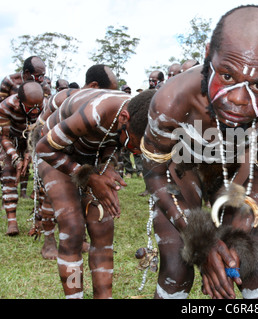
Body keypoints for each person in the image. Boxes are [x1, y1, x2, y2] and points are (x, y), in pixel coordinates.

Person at [140, 4, 258, 299]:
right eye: (226, 76)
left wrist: (233, 236)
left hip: (237, 182)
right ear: (209, 53)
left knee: (253, 267)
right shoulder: (172, 100)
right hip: (182, 179)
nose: (238, 99)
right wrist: (203, 242)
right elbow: (154, 173)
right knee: (177, 267)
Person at [35, 88, 155, 299]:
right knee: (72, 227)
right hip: (55, 155)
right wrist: (91, 178)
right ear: (124, 118)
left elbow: (112, 141)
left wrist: (107, 167)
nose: (136, 153)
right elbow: (43, 148)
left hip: (90, 157)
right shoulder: (94, 114)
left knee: (103, 227)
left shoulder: (137, 113)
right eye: (136, 146)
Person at [32, 64, 119, 260]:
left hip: (82, 155)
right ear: (96, 87)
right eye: (110, 92)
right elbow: (40, 134)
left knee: (81, 194)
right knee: (51, 195)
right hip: (51, 154)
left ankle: (79, 239)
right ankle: (48, 242)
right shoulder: (61, 99)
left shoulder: (98, 110)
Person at [0, 81, 45, 236]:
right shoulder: (6, 106)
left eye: (38, 106)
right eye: (30, 107)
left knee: (42, 177)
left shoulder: (44, 106)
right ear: (20, 102)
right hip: (11, 141)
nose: (35, 110)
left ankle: (39, 219)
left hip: (34, 142)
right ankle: (12, 222)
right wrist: (15, 158)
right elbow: (4, 137)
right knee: (8, 175)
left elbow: (40, 133)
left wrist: (29, 153)